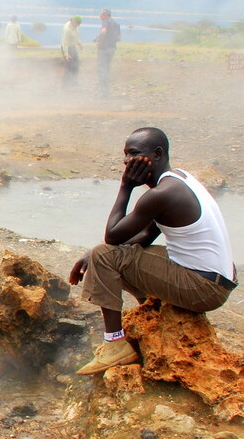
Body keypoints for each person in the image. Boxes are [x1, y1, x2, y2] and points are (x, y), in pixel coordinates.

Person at [69, 128, 237, 375]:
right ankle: (154, 310)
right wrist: (92, 253)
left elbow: (112, 236)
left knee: (105, 255)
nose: (127, 162)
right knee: (108, 253)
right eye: (125, 155)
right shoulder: (178, 180)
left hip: (204, 288)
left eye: (135, 154)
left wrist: (125, 187)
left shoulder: (161, 194)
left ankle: (115, 343)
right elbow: (146, 234)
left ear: (157, 154)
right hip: (213, 280)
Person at [95, 9, 121, 97]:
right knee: (106, 70)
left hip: (104, 49)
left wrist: (99, 42)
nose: (100, 17)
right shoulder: (116, 24)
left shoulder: (106, 22)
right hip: (112, 49)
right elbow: (119, 38)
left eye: (101, 15)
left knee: (102, 70)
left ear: (106, 15)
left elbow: (103, 31)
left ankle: (103, 93)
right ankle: (107, 91)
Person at [60, 15, 82, 88]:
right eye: (77, 24)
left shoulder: (75, 27)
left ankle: (73, 81)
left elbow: (75, 36)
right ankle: (65, 85)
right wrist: (66, 54)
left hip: (73, 48)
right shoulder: (67, 29)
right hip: (67, 48)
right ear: (73, 21)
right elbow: (65, 43)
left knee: (76, 65)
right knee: (69, 67)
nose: (78, 25)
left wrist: (79, 43)